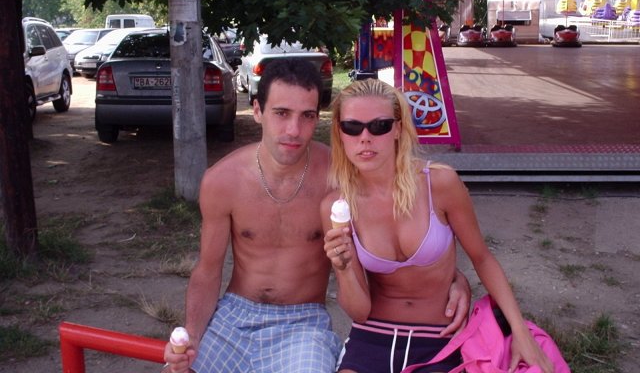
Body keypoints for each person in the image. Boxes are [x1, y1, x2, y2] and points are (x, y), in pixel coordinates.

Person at [163, 59, 471, 373]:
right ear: (257, 111)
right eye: (281, 113)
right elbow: (207, 271)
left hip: (303, 322)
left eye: (307, 116)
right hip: (234, 317)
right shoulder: (222, 180)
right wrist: (193, 336)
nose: (293, 130)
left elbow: (403, 232)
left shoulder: (341, 177)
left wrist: (454, 279)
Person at [322, 78, 555, 373]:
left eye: (379, 126)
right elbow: (359, 311)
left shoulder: (439, 184)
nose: (365, 138)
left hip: (440, 336)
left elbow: (482, 258)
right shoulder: (337, 206)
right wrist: (342, 268)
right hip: (372, 335)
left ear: (397, 129)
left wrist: (520, 331)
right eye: (352, 127)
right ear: (340, 132)